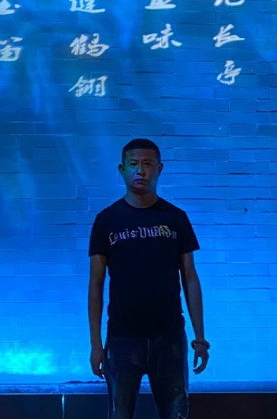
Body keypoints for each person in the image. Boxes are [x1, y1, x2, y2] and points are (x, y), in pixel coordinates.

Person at [88, 138, 209, 419]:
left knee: (176, 414)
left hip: (169, 336)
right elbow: (96, 284)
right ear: (122, 169)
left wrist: (200, 337)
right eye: (133, 164)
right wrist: (96, 344)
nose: (140, 171)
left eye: (147, 164)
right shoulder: (107, 220)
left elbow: (190, 278)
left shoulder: (176, 218)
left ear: (159, 168)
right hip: (122, 337)